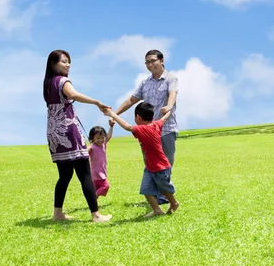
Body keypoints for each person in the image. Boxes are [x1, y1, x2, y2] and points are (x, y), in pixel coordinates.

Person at [43, 49, 112, 223]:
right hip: (68, 132)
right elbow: (73, 95)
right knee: (84, 174)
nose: (68, 64)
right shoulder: (62, 81)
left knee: (65, 175)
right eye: (63, 61)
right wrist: (97, 102)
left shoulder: (49, 83)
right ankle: (96, 215)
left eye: (68, 61)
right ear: (53, 64)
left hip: (54, 133)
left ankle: (57, 213)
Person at [112, 50, 178, 204]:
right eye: (147, 62)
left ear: (161, 60)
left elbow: (173, 94)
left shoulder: (171, 79)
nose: (150, 65)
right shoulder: (145, 82)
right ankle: (155, 195)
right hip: (146, 132)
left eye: (153, 61)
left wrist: (168, 106)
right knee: (151, 163)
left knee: (165, 163)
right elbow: (131, 100)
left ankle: (164, 196)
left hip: (166, 128)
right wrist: (115, 113)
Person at [105, 102, 180, 218]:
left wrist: (112, 114)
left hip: (160, 168)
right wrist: (168, 110)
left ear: (138, 117)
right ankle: (157, 210)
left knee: (164, 189)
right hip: (150, 167)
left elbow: (127, 126)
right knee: (146, 189)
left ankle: (174, 203)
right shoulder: (156, 124)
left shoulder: (141, 129)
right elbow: (164, 118)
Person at [88, 120, 114, 198]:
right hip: (97, 172)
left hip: (101, 170)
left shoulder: (103, 144)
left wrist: (111, 127)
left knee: (97, 188)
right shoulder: (92, 147)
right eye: (98, 138)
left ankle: (93, 203)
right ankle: (93, 198)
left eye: (102, 138)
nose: (100, 140)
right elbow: (87, 150)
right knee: (106, 186)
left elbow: (108, 136)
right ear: (92, 138)